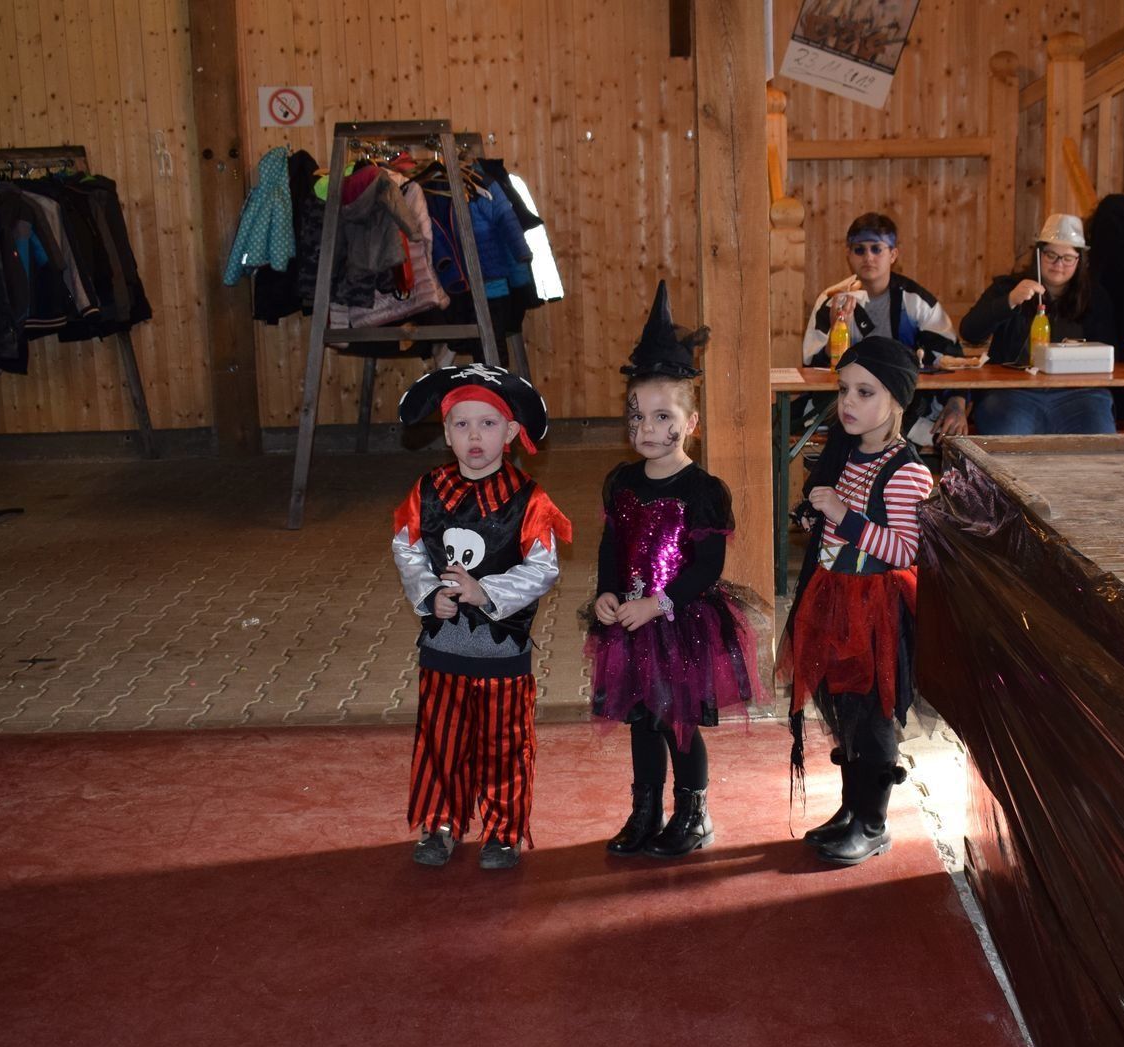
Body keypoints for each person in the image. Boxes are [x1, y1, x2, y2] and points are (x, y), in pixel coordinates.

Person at [586, 282, 765, 858]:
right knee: (641, 719)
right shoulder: (622, 482)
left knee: (677, 722)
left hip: (677, 620)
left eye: (662, 416)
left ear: (690, 423)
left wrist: (658, 603)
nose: (645, 428)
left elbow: (707, 566)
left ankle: (693, 812)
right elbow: (611, 545)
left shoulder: (702, 490)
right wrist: (607, 593)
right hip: (630, 623)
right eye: (636, 415)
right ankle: (645, 810)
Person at [390, 363, 572, 870]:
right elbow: (406, 548)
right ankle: (440, 823)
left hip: (502, 650)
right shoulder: (426, 491)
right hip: (443, 648)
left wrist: (484, 591)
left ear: (510, 432)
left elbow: (543, 567)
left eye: (488, 424)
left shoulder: (529, 499)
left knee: (503, 744)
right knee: (441, 741)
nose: (475, 436)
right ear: (447, 433)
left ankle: (503, 832)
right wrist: (429, 593)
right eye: (462, 424)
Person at [779, 337, 934, 866]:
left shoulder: (906, 471)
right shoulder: (848, 454)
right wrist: (820, 520)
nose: (848, 402)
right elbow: (837, 533)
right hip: (835, 600)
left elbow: (906, 550)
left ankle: (873, 823)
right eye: (844, 389)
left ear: (897, 399)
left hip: (875, 613)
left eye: (865, 392)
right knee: (846, 712)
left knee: (872, 716)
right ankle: (852, 808)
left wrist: (845, 518)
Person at [952, 213, 1118, 436]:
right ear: (1038, 255)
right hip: (1011, 393)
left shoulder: (1095, 297)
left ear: (1079, 261)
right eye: (1051, 255)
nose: (1058, 264)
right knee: (1009, 442)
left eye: (1068, 258)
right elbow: (970, 332)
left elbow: (1110, 355)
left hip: (1080, 394)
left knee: (1099, 440)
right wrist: (1009, 301)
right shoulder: (1008, 287)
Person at [803, 212, 960, 444]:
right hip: (848, 397)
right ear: (849, 254)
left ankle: (911, 431)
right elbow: (811, 365)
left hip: (904, 395)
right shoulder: (832, 300)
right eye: (859, 250)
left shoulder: (915, 300)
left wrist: (957, 403)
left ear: (893, 254)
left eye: (877, 249)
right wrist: (837, 330)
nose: (868, 257)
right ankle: (917, 431)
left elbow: (949, 357)